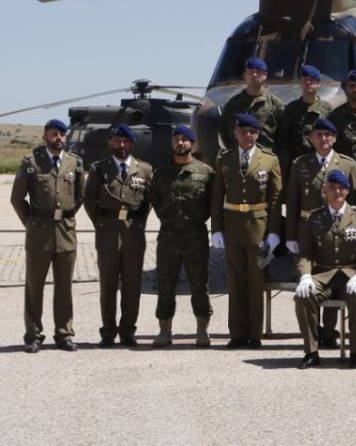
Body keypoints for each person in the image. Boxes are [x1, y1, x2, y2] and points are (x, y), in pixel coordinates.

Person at [276, 117, 356, 347]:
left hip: (337, 229)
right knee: (308, 281)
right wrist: (290, 236)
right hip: (307, 230)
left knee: (334, 276)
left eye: (328, 135)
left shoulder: (348, 165)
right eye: (319, 135)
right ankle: (314, 333)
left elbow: (355, 200)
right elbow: (292, 201)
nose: (323, 139)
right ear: (311, 139)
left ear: (335, 139)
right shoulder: (300, 164)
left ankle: (329, 331)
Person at [11, 119, 85, 352]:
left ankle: (64, 334)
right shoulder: (31, 163)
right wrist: (30, 222)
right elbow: (17, 198)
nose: (58, 138)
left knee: (64, 287)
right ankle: (33, 335)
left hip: (65, 232)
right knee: (35, 286)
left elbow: (79, 197)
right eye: (54, 134)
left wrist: (65, 216)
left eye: (62, 134)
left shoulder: (75, 163)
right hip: (39, 233)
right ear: (45, 137)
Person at [210, 113, 283, 348]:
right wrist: (216, 229)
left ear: (258, 134)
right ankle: (237, 333)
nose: (248, 136)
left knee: (255, 282)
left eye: (252, 132)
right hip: (232, 226)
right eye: (243, 132)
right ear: (236, 133)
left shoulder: (269, 160)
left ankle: (254, 334)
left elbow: (275, 199)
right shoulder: (225, 159)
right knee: (235, 281)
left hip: (258, 227)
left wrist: (274, 232)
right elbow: (217, 195)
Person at [294, 170, 356, 368]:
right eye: (333, 188)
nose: (337, 192)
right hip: (324, 275)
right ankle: (311, 351)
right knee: (303, 296)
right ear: (325, 190)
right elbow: (305, 253)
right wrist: (305, 276)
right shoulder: (314, 217)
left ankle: (355, 352)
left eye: (341, 188)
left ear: (347, 191)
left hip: (350, 274)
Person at [84, 123, 154, 347]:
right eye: (117, 141)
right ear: (111, 143)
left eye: (125, 141)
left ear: (131, 143)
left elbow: (148, 201)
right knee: (108, 283)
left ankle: (128, 331)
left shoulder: (144, 170)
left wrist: (138, 222)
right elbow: (89, 200)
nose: (121, 145)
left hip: (134, 233)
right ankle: (108, 331)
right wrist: (102, 223)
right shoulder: (99, 168)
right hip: (108, 232)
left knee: (132, 284)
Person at [148, 125, 215, 348]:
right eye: (176, 139)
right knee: (165, 285)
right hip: (168, 237)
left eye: (185, 139)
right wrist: (169, 218)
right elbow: (155, 200)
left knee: (199, 284)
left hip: (196, 237)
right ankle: (164, 331)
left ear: (192, 144)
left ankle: (202, 330)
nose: (180, 143)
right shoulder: (161, 173)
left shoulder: (206, 173)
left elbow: (211, 203)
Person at [274, 64, 332, 179]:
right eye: (305, 80)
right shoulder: (291, 108)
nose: (308, 83)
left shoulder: (327, 109)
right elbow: (283, 138)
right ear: (300, 83)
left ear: (318, 83)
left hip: (319, 162)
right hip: (295, 163)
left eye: (312, 80)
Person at [218, 56, 286, 153]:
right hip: (238, 157)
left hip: (265, 158)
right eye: (250, 72)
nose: (254, 75)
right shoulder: (232, 104)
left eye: (258, 72)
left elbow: (284, 136)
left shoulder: (275, 105)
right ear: (245, 75)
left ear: (265, 75)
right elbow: (224, 131)